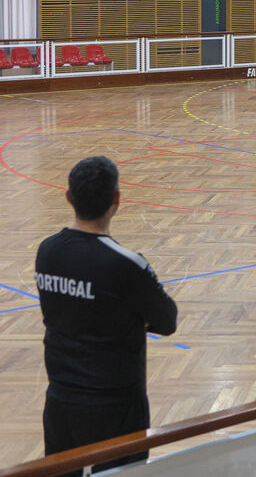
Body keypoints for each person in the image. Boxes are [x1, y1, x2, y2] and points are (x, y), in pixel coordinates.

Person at [35, 156, 178, 474]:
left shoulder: (47, 251)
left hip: (60, 400)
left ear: (69, 197)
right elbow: (167, 321)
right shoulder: (126, 264)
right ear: (116, 199)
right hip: (116, 406)